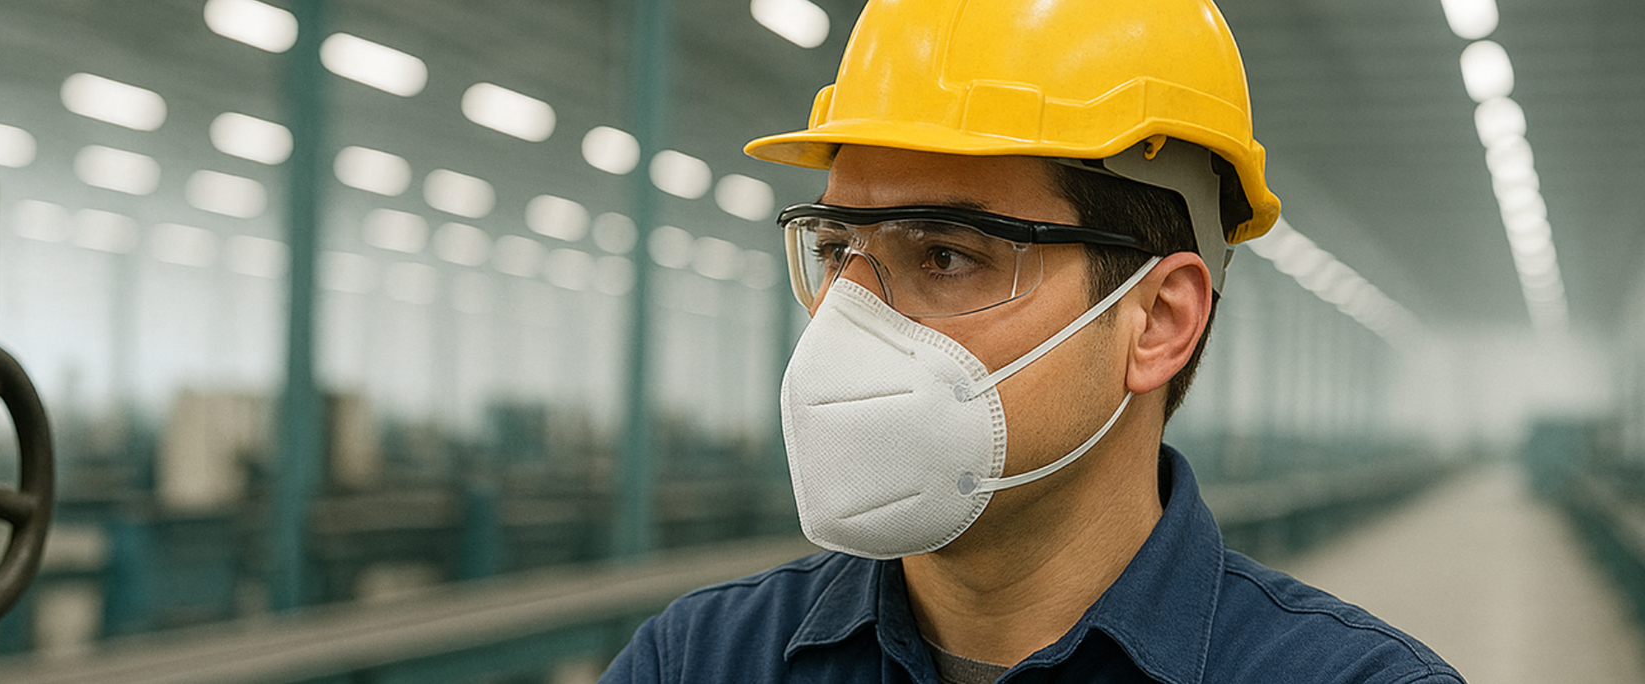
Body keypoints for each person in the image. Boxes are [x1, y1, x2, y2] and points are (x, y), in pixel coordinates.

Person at [600, 0, 1465, 682]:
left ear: (1158, 320)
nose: (845, 321)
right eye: (835, 251)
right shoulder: (698, 660)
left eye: (945, 255)